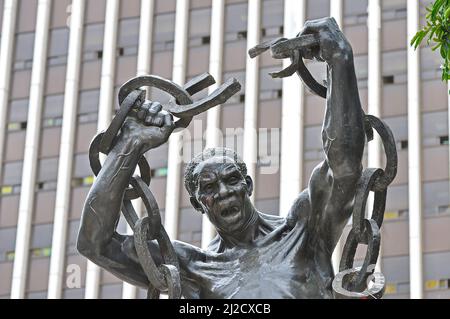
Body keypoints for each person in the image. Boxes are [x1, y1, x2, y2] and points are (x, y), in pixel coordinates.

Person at [77, 17, 365, 298]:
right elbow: (96, 245)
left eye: (231, 180)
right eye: (210, 188)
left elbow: (343, 167)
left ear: (248, 185)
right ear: (198, 204)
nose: (224, 192)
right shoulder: (193, 268)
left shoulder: (302, 231)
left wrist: (340, 60)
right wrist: (130, 143)